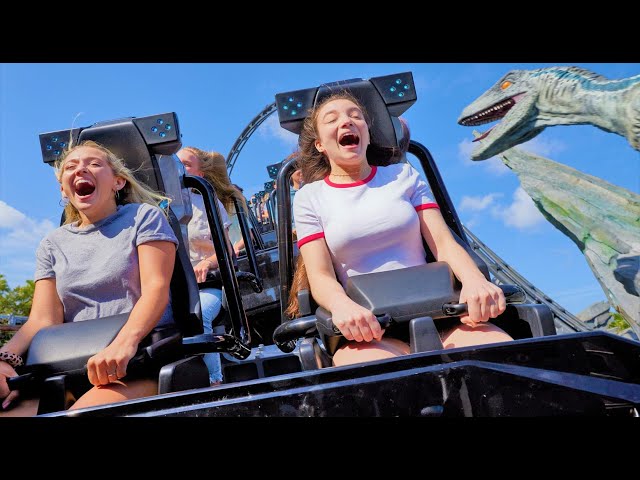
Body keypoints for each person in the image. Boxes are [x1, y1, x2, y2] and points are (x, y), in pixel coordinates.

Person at [287, 92, 512, 367]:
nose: (347, 122)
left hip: (440, 311)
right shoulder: (310, 198)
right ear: (320, 144)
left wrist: (474, 280)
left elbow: (444, 243)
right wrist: (341, 305)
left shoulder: (403, 176)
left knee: (496, 353)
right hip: (370, 328)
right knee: (373, 373)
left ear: (367, 133)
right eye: (332, 119)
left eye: (356, 116)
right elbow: (320, 274)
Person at [0, 140, 178, 416]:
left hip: (135, 362)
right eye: (71, 167)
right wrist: (5, 360)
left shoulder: (144, 217)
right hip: (71, 366)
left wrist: (123, 343)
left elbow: (156, 288)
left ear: (118, 182)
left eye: (94, 164)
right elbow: (42, 319)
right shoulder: (52, 244)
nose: (81, 169)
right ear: (63, 189)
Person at [176, 146, 245, 386]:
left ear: (200, 173)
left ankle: (214, 382)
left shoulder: (208, 202)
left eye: (186, 164)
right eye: (175, 163)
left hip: (208, 286)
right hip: (175, 288)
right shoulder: (159, 206)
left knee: (199, 314)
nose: (178, 168)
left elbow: (226, 250)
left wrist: (206, 262)